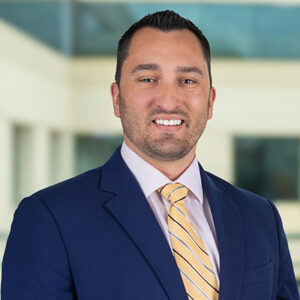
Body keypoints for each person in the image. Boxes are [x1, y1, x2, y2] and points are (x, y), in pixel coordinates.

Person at [1, 10, 299, 300]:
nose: (168, 101)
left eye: (187, 81)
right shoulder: (49, 219)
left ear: (210, 102)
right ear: (117, 99)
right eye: (147, 79)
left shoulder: (261, 218)